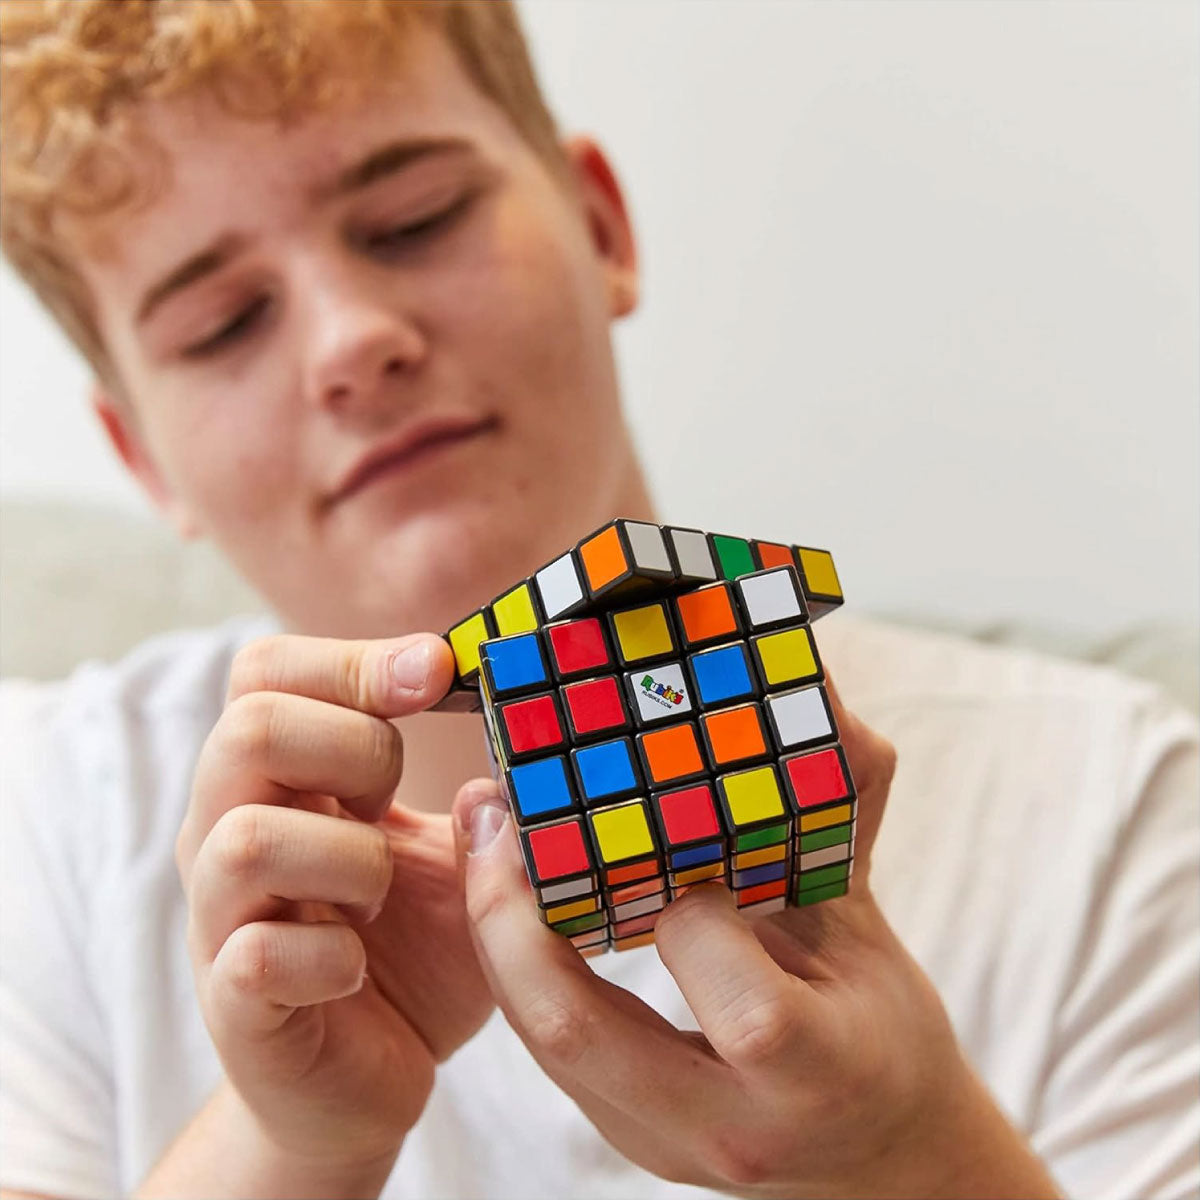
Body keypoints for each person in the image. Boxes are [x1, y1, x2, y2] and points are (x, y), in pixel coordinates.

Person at [0, 2, 1195, 1198]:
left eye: (414, 222)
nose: (353, 341)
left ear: (601, 227)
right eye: (225, 326)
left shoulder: (1112, 804)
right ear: (142, 459)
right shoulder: (45, 818)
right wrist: (291, 1146)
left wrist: (910, 1156)